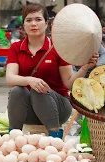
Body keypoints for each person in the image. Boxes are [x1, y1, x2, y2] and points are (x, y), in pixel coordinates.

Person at [6, 3, 99, 138]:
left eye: (38, 19)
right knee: (17, 91)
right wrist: (30, 80)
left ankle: (55, 137)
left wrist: (86, 67)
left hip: (57, 108)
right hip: (29, 111)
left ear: (46, 24)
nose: (33, 24)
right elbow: (10, 78)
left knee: (39, 90)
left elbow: (69, 83)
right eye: (29, 20)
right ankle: (13, 138)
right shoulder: (16, 47)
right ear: (23, 26)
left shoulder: (57, 48)